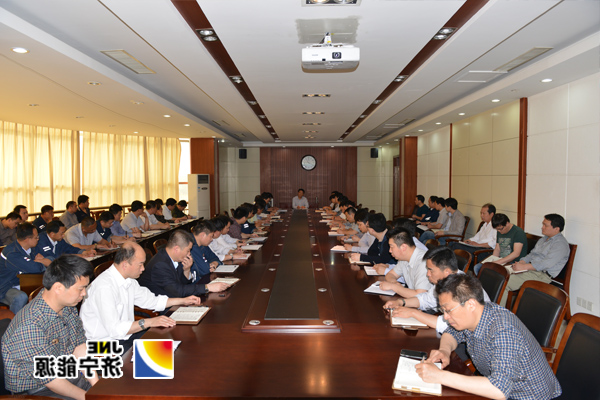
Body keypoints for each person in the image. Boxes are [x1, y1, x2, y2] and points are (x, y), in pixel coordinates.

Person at [416, 273, 561, 399]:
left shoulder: (503, 331)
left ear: (470, 305)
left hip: (526, 396)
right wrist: (444, 350)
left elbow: (499, 390)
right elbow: (452, 332)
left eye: (448, 310)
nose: (445, 317)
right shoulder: (477, 314)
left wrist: (440, 376)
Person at [1, 255, 97, 400]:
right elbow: (51, 380)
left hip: (66, 373)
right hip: (38, 390)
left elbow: (78, 346)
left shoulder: (67, 306)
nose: (84, 293)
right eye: (81, 289)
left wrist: (96, 386)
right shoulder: (30, 326)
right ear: (58, 288)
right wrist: (90, 397)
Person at [80, 242, 202, 352]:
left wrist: (182, 300)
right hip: (103, 345)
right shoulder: (104, 287)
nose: (143, 268)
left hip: (125, 336)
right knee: (158, 353)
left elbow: (152, 301)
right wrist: (149, 322)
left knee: (169, 345)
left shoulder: (129, 280)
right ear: (125, 265)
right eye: (140, 264)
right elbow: (115, 329)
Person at [384, 247, 490, 334]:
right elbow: (426, 299)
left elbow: (447, 325)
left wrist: (413, 313)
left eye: (431, 270)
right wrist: (401, 302)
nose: (427, 274)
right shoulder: (446, 281)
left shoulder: (461, 288)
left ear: (447, 272)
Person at [500, 213, 570, 306]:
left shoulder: (560, 244)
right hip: (530, 270)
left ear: (556, 229)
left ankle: (499, 313)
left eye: (545, 225)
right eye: (543, 224)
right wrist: (522, 262)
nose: (542, 227)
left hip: (541, 275)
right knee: (499, 275)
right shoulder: (544, 239)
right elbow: (531, 254)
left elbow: (545, 264)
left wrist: (524, 267)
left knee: (503, 283)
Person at [138, 230, 229, 297]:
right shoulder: (160, 265)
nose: (189, 254)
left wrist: (186, 270)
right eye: (188, 250)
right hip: (163, 308)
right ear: (176, 249)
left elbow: (181, 283)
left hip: (175, 298)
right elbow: (177, 291)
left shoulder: (174, 257)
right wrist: (208, 287)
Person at [0, 223, 50, 314]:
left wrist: (41, 261)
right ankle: (16, 321)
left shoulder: (32, 248)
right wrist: (42, 262)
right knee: (21, 297)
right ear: (27, 239)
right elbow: (35, 268)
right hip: (6, 287)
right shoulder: (12, 253)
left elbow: (49, 258)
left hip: (23, 282)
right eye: (36, 237)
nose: (38, 239)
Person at [379, 227, 432, 297]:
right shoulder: (404, 258)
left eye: (391, 247)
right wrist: (395, 283)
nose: (390, 251)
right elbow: (390, 274)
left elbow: (420, 296)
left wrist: (394, 287)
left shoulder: (424, 262)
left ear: (403, 247)